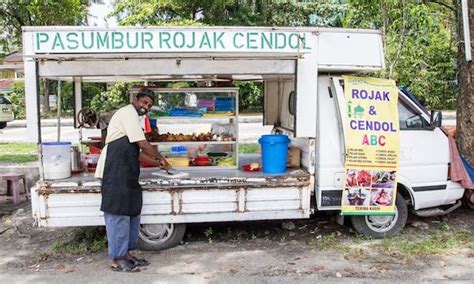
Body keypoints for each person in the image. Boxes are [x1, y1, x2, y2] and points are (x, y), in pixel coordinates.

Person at [95, 88, 170, 272]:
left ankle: (127, 254)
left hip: (127, 172)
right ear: (136, 99)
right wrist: (161, 158)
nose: (146, 107)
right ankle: (117, 259)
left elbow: (138, 152)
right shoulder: (127, 112)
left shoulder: (137, 120)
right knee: (118, 214)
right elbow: (143, 144)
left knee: (132, 212)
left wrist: (155, 161)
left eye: (149, 106)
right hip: (114, 171)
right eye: (144, 102)